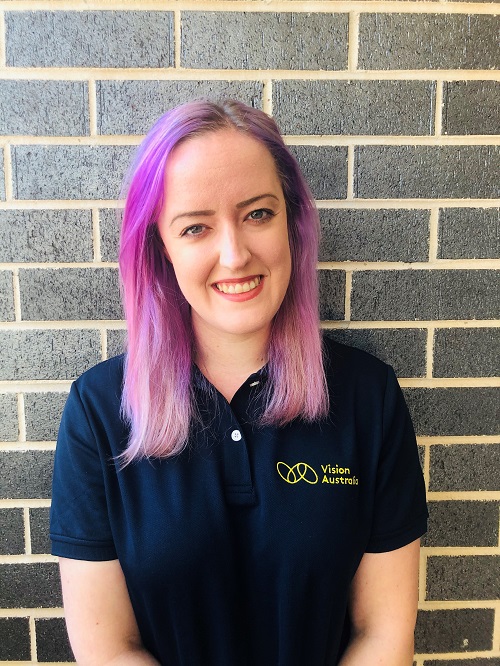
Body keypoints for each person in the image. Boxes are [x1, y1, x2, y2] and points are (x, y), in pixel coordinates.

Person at [50, 100, 428, 665]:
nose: (234, 254)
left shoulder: (367, 399)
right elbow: (108, 648)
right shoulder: (100, 412)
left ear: (292, 224)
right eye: (196, 227)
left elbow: (383, 633)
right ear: (160, 248)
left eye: (257, 214)